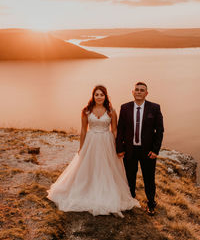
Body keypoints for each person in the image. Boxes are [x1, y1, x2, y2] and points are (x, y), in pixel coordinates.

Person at [47, 85, 140, 217]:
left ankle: (107, 193)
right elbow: (84, 130)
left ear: (105, 96)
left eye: (101, 95)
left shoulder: (111, 111)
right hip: (91, 142)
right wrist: (81, 147)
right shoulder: (86, 111)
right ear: (93, 96)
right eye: (96, 94)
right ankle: (85, 189)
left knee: (106, 168)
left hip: (106, 142)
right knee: (88, 167)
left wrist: (118, 147)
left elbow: (114, 130)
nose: (99, 97)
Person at [116, 82, 164, 216]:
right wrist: (119, 148)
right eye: (136, 90)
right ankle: (130, 201)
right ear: (132, 92)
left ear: (146, 93)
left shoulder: (154, 108)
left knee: (149, 179)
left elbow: (159, 130)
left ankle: (151, 203)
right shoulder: (125, 108)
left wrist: (155, 150)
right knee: (129, 178)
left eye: (142, 90)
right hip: (129, 150)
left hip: (148, 152)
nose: (138, 92)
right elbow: (120, 130)